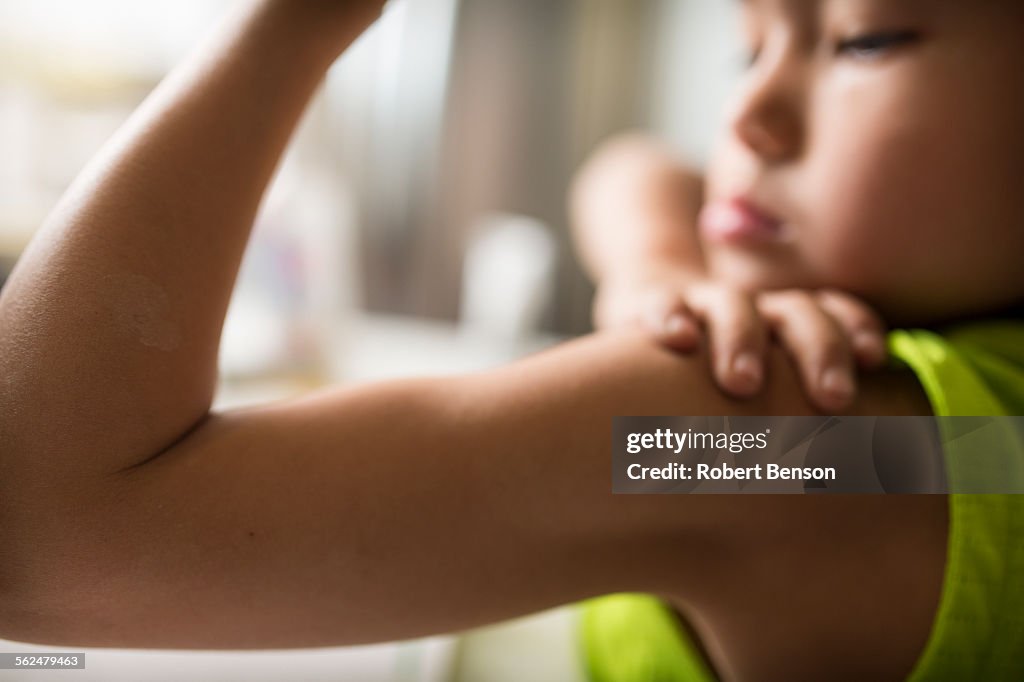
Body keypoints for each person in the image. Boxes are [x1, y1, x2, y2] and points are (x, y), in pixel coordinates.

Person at [0, 0, 1019, 679]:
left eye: (866, 38)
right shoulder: (971, 441)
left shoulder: (784, 443)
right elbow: (638, 167)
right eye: (746, 44)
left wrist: (289, 29)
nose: (747, 110)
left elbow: (37, 535)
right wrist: (657, 267)